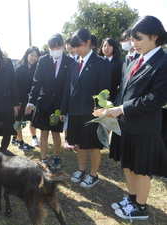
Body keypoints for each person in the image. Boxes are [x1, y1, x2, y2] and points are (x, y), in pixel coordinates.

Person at [94, 15, 167, 220]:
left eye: (138, 38)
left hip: (144, 127)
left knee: (141, 168)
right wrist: (110, 109)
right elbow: (123, 90)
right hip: (125, 124)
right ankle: (133, 199)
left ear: (155, 36)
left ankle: (141, 208)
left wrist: (123, 109)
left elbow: (157, 98)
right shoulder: (134, 58)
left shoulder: (163, 62)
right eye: (132, 39)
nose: (133, 43)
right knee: (127, 164)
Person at [59, 28, 111, 188]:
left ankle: (93, 174)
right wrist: (63, 109)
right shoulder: (73, 65)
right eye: (73, 46)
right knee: (79, 143)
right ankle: (81, 169)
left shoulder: (101, 63)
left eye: (78, 45)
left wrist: (102, 111)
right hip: (75, 111)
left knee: (94, 145)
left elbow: (104, 90)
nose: (75, 49)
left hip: (92, 112)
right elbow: (68, 89)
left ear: (89, 43)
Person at [25, 33, 74, 171]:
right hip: (44, 103)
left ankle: (57, 156)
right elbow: (36, 83)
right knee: (44, 132)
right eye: (53, 47)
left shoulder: (70, 62)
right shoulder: (43, 60)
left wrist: (64, 109)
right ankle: (44, 159)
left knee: (56, 133)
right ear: (49, 48)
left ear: (63, 46)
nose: (56, 49)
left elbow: (68, 88)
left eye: (58, 46)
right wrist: (31, 103)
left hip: (59, 104)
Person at [11, 46, 41, 149]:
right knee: (18, 121)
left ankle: (15, 138)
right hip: (19, 99)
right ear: (27, 55)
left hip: (28, 99)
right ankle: (21, 143)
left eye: (36, 56)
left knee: (25, 119)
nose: (33, 58)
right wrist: (16, 101)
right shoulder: (20, 68)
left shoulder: (35, 68)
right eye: (31, 55)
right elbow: (14, 86)